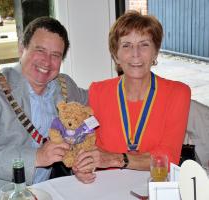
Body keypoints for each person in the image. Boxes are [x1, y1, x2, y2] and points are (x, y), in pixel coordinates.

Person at [0, 17, 87, 199]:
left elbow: (97, 103)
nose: (47, 61)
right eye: (40, 50)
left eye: (56, 55)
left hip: (41, 192)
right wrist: (37, 157)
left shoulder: (64, 86)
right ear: (21, 48)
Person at [72, 10, 191, 183]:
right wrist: (83, 165)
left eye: (144, 44)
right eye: (126, 45)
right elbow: (90, 144)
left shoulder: (178, 93)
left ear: (155, 53)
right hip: (107, 185)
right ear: (116, 56)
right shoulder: (98, 91)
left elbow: (168, 157)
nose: (135, 53)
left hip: (155, 183)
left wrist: (116, 159)